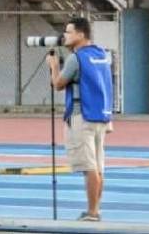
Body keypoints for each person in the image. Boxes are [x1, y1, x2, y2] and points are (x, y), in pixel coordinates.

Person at [48, 17, 114, 223]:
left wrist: (53, 66)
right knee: (98, 166)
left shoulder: (76, 58)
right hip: (100, 115)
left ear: (81, 34)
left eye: (68, 32)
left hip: (81, 115)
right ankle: (95, 209)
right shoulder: (101, 54)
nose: (65, 36)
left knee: (88, 166)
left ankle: (92, 212)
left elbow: (58, 84)